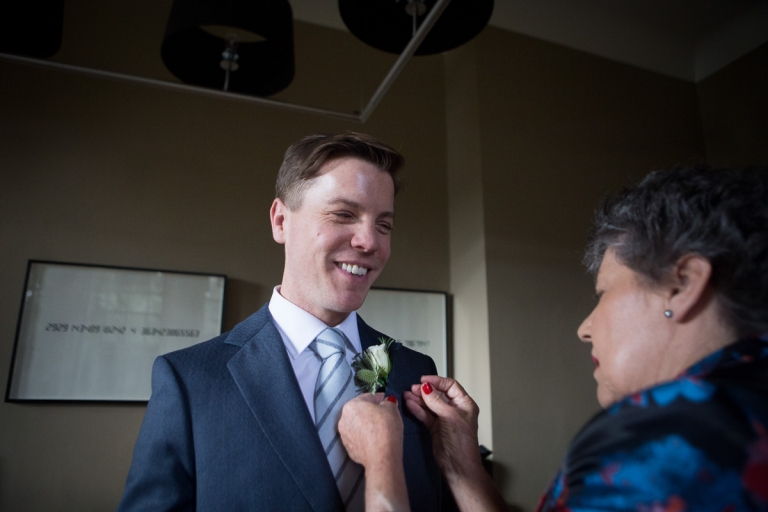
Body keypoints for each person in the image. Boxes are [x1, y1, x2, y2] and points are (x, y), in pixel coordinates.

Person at [339, 165, 768, 511]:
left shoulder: (661, 445)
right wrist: (462, 464)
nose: (585, 327)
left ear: (682, 284)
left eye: (602, 294)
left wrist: (381, 463)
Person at [118, 133, 447, 511]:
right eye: (343, 214)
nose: (369, 241)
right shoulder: (189, 381)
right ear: (280, 221)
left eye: (384, 225)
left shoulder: (414, 372)